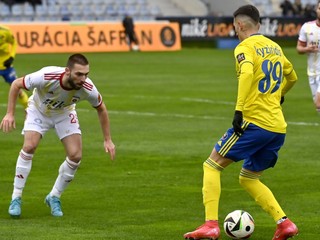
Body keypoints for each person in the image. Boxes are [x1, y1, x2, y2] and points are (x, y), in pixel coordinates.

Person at [183, 5, 299, 240]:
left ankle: (211, 225)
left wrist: (239, 111)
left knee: (211, 165)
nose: (235, 31)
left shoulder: (244, 47)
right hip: (277, 128)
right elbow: (292, 76)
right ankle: (284, 223)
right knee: (249, 177)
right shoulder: (275, 46)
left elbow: (246, 74)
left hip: (254, 122)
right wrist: (280, 95)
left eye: (235, 26)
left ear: (241, 25)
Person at [0, 53, 116, 217]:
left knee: (75, 156)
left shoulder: (87, 88)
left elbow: (101, 108)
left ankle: (54, 196)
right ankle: (16, 197)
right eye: (79, 74)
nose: (83, 79)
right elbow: (16, 84)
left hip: (64, 114)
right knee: (29, 146)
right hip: (38, 110)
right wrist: (10, 114)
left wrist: (108, 140)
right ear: (67, 71)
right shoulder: (47, 76)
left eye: (86, 74)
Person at [297, 1, 320, 113]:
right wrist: (307, 49)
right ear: (316, 9)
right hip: (312, 72)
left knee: (318, 103)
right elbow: (299, 48)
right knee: (318, 108)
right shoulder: (307, 27)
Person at [0, 25, 28, 109]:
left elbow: (14, 42)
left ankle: (28, 110)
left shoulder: (5, 31)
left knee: (17, 89)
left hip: (6, 65)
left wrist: (11, 57)